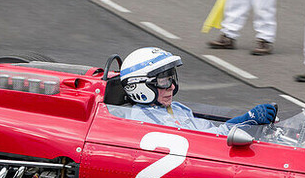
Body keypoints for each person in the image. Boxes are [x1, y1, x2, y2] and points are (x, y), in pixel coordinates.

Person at [118, 47, 276, 132]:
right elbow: (205, 142)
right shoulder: (147, 122)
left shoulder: (175, 108)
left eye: (172, 79)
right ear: (140, 86)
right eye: (164, 81)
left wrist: (244, 121)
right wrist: (246, 120)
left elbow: (210, 132)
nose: (172, 86)